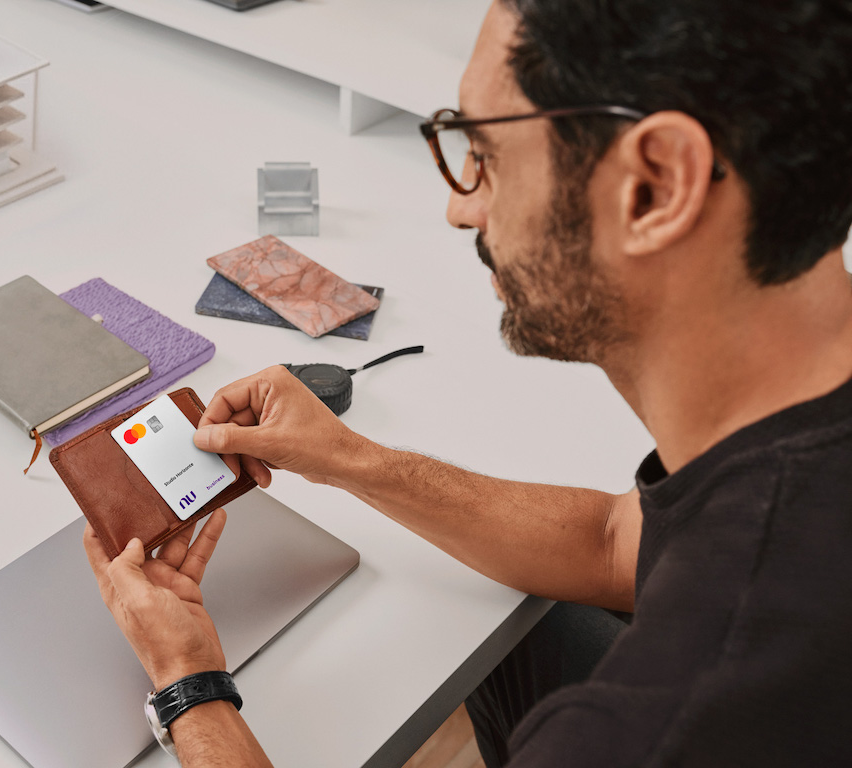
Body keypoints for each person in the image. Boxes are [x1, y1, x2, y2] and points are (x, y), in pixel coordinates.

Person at [82, 0, 852, 765]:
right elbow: (621, 545)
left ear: (655, 184)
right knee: (517, 631)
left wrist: (187, 682)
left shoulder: (670, 716)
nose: (460, 208)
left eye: (484, 154)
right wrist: (349, 458)